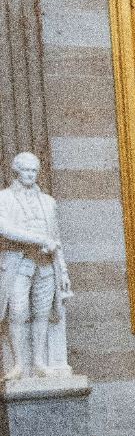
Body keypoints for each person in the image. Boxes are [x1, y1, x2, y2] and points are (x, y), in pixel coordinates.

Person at [0, 152, 71, 380]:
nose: (30, 175)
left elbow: (56, 238)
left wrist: (63, 271)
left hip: (46, 264)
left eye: (34, 171)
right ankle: (19, 364)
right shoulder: (4, 198)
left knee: (42, 313)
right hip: (19, 263)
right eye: (26, 170)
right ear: (16, 171)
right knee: (18, 311)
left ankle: (39, 362)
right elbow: (5, 229)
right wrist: (39, 239)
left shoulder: (48, 202)